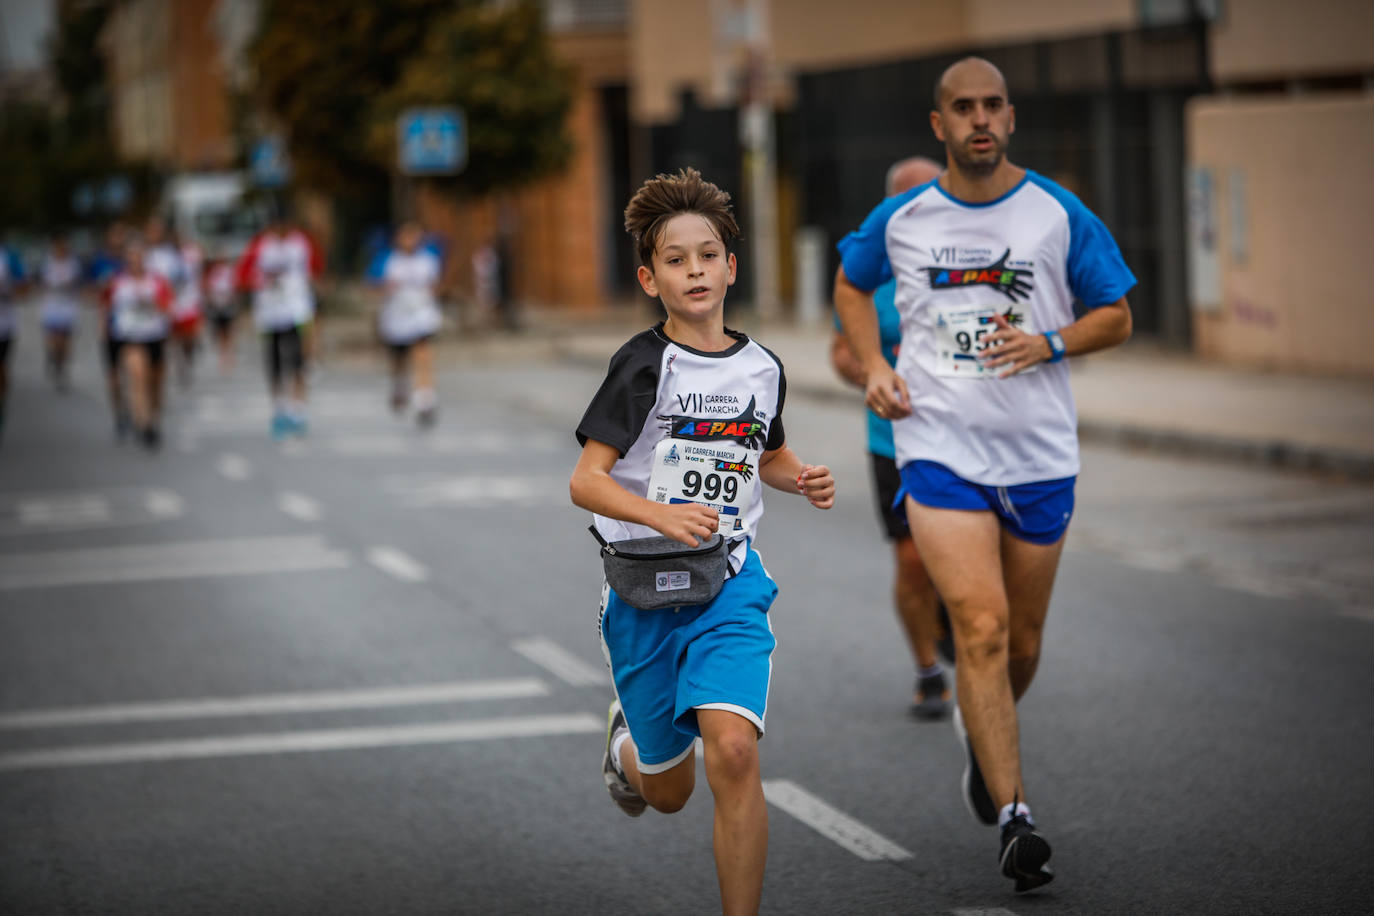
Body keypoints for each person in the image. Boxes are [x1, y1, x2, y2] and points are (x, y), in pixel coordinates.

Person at [833, 57, 1134, 893]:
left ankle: (981, 730)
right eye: (961, 107)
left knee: (1023, 644)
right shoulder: (901, 218)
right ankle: (1015, 818)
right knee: (982, 626)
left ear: (1011, 116)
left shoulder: (1055, 213)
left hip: (1039, 455)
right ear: (939, 124)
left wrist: (1052, 342)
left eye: (991, 106)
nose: (978, 119)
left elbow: (1117, 313)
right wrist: (872, 366)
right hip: (939, 450)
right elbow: (850, 287)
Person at [570, 168, 834, 916]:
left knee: (736, 750)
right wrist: (662, 516)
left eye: (707, 254)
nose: (696, 270)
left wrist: (801, 475)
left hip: (729, 581)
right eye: (677, 260)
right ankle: (626, 752)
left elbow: (766, 454)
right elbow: (586, 482)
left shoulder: (761, 368)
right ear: (651, 278)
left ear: (731, 267)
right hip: (643, 592)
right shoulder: (641, 368)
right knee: (669, 792)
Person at [830, 155, 953, 720]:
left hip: (964, 435)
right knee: (911, 560)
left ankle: (958, 619)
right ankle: (928, 669)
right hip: (893, 438)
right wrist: (876, 372)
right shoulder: (868, 273)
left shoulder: (963, 263)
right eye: (909, 201)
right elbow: (840, 354)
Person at [235, 212, 323, 440]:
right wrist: (262, 280)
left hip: (296, 310)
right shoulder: (260, 245)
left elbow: (317, 269)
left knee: (298, 361)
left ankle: (299, 409)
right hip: (269, 313)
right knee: (274, 363)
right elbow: (242, 275)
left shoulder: (302, 242)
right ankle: (279, 408)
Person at [371, 221, 443, 427]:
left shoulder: (428, 260)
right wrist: (384, 287)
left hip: (421, 315)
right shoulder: (387, 259)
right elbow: (372, 284)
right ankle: (399, 387)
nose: (410, 241)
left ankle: (425, 400)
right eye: (406, 236)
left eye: (414, 236)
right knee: (399, 360)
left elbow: (436, 285)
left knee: (422, 353)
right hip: (396, 318)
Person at [105, 242, 174, 450]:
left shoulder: (156, 281)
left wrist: (151, 304)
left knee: (155, 384)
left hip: (154, 335)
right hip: (129, 336)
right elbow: (106, 306)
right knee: (138, 376)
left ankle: (153, 417)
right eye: (131, 257)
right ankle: (144, 423)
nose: (135, 261)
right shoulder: (118, 282)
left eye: (139, 257)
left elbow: (168, 307)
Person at [90, 223, 129, 437]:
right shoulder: (100, 262)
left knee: (132, 369)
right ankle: (119, 412)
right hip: (111, 325)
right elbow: (90, 292)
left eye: (121, 236)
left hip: (133, 328)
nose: (118, 240)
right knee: (114, 374)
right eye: (115, 236)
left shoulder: (131, 262)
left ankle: (133, 408)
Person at [38, 234, 84, 391]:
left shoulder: (73, 264)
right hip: (52, 307)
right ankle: (53, 356)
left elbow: (78, 283)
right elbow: (42, 283)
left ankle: (62, 367)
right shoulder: (48, 263)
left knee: (66, 341)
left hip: (68, 307)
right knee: (55, 339)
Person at [0, 241, 25, 439]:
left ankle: (2, 404)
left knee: (2, 369)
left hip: (4, 324)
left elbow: (24, 286)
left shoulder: (8, 257)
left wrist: (8, 291)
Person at [202, 257, 239, 375]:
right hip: (216, 306)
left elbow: (234, 286)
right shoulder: (212, 274)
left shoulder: (229, 272)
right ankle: (223, 353)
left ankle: (229, 354)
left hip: (227, 305)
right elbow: (207, 288)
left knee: (228, 330)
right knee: (219, 331)